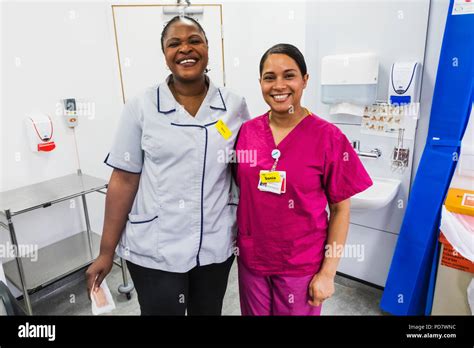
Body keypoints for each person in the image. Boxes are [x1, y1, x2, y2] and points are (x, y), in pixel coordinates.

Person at [86, 15, 250, 315]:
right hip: (156, 247)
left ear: (208, 48)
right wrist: (106, 252)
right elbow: (123, 180)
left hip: (214, 244)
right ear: (165, 55)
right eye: (174, 44)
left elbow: (243, 172)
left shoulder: (234, 106)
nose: (185, 49)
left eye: (194, 41)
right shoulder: (142, 107)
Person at [234, 43, 373, 315]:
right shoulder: (247, 132)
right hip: (253, 259)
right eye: (269, 77)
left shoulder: (328, 137)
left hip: (301, 266)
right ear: (260, 82)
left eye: (289, 75)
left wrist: (328, 273)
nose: (279, 85)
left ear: (305, 80)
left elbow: (340, 209)